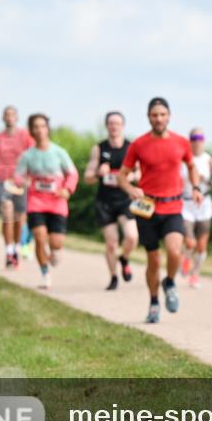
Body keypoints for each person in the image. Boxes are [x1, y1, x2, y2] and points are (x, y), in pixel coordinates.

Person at [119, 97, 202, 323]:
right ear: (148, 117)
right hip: (147, 207)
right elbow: (122, 176)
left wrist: (195, 188)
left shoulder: (181, 142)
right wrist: (130, 189)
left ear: (169, 116)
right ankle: (154, 302)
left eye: (162, 115)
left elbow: (192, 167)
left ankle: (170, 282)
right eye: (154, 115)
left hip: (173, 205)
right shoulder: (138, 144)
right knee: (154, 261)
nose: (158, 119)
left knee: (175, 251)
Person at [13, 114, 79, 290]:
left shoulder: (59, 152)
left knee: (56, 243)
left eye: (43, 126)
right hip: (36, 202)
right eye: (36, 127)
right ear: (31, 130)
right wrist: (24, 181)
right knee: (40, 237)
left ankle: (55, 251)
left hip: (57, 202)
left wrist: (68, 189)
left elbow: (72, 174)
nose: (40, 130)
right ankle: (45, 274)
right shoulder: (27, 155)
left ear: (47, 129)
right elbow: (18, 176)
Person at [83, 111, 138, 291]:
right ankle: (113, 277)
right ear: (107, 126)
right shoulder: (99, 148)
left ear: (123, 126)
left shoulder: (131, 147)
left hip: (125, 199)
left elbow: (140, 172)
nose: (114, 127)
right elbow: (87, 177)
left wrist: (131, 177)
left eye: (117, 123)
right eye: (111, 123)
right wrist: (98, 173)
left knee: (132, 236)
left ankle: (125, 258)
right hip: (105, 202)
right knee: (111, 242)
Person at [0, 106, 34, 269]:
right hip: (2, 180)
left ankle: (17, 247)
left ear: (17, 117)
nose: (9, 118)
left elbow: (33, 155)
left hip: (20, 181)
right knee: (7, 212)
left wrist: (31, 176)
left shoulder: (25, 136)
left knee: (19, 218)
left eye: (12, 115)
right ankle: (9, 250)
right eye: (6, 115)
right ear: (3, 118)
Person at [180, 127, 212, 289]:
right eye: (194, 138)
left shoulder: (209, 161)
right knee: (190, 242)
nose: (197, 141)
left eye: (200, 138)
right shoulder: (183, 159)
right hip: (186, 203)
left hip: (204, 205)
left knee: (201, 246)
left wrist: (206, 180)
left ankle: (195, 275)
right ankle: (186, 257)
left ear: (204, 140)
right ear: (189, 141)